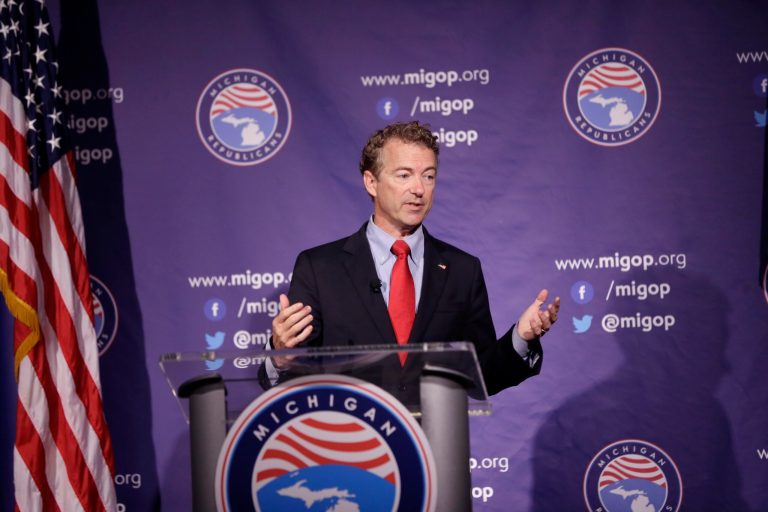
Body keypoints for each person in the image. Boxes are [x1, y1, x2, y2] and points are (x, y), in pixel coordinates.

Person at [268, 121, 559, 396]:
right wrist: (281, 357)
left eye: (428, 176)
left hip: (432, 443)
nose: (419, 189)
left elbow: (481, 375)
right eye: (404, 175)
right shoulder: (320, 268)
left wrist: (521, 338)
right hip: (350, 441)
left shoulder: (462, 270)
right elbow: (297, 373)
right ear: (371, 182)